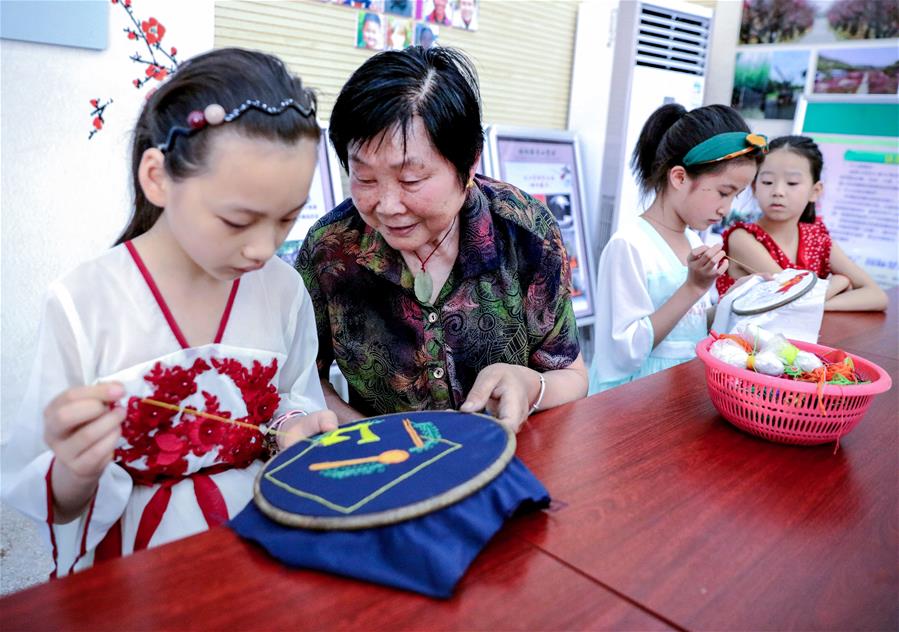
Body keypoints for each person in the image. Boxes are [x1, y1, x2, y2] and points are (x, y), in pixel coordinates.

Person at [0, 48, 338, 576]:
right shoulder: (85, 300)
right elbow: (56, 499)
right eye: (237, 220)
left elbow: (292, 398)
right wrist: (75, 467)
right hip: (134, 566)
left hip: (262, 542)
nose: (262, 248)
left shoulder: (282, 287)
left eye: (287, 220)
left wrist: (293, 427)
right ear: (157, 177)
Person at [297, 46, 587, 433]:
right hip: (389, 470)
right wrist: (375, 436)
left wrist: (531, 384)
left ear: (469, 164)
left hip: (512, 459)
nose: (387, 206)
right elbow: (303, 377)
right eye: (364, 178)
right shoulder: (330, 249)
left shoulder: (525, 232)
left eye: (411, 180)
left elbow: (572, 374)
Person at [589, 104, 766, 394]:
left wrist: (735, 298)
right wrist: (693, 288)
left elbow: (689, 329)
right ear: (680, 177)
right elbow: (622, 353)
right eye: (724, 192)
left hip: (676, 392)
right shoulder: (629, 245)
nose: (726, 209)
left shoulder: (693, 241)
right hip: (633, 400)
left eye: (736, 195)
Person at [717, 135, 887, 311]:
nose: (778, 191)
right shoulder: (742, 238)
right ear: (754, 187)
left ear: (815, 191)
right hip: (743, 337)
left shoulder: (816, 237)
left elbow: (877, 296)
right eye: (767, 182)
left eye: (792, 183)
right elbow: (789, 295)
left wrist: (820, 304)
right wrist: (839, 282)